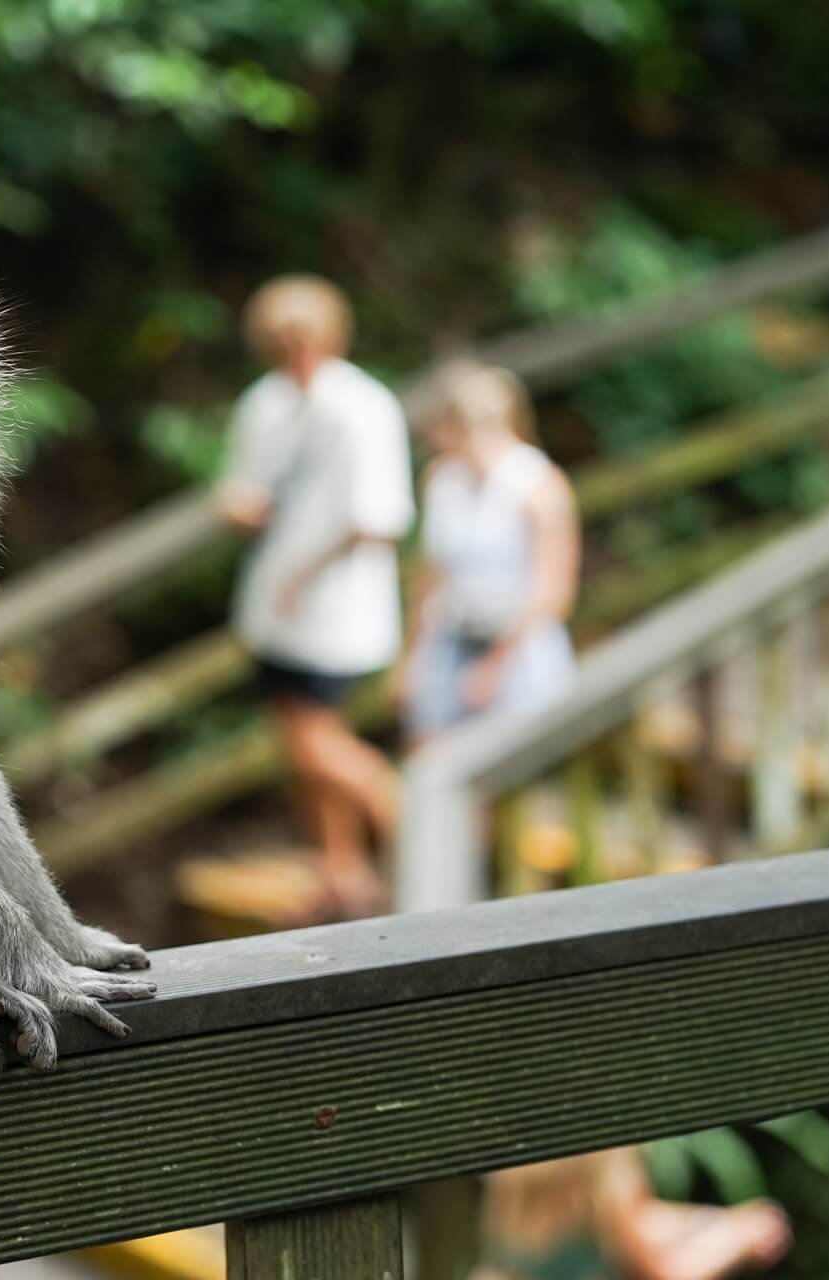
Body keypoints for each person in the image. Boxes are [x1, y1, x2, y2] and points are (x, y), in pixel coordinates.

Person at [216, 274, 414, 919]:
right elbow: (244, 488)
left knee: (316, 741)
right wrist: (241, 509)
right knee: (298, 742)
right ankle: (342, 870)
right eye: (282, 340)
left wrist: (305, 574)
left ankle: (413, 819)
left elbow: (378, 519)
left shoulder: (364, 406)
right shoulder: (263, 404)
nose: (294, 352)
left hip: (337, 610)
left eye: (304, 338)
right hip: (273, 607)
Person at [397, 358, 580, 745]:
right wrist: (411, 659)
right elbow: (429, 575)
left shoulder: (538, 485)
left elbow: (553, 593)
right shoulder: (442, 479)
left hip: (520, 652)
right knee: (428, 748)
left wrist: (495, 665)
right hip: (451, 640)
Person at [477, 1149, 793, 1280]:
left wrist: (715, 1222)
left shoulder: (525, 1150)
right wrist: (739, 1243)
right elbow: (659, 1272)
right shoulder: (602, 1158)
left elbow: (635, 1219)